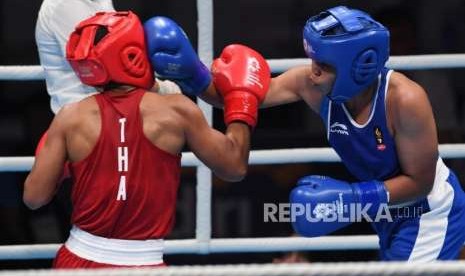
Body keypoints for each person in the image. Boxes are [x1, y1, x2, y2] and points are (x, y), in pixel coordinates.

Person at [145, 6, 465, 261]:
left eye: (323, 65)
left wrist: (353, 199)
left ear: (360, 66)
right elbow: (246, 94)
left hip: (427, 213)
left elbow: (421, 181)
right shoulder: (311, 84)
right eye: (313, 59)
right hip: (385, 211)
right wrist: (194, 74)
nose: (312, 70)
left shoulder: (405, 99)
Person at [24, 11, 270, 268]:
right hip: (143, 264)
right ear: (134, 55)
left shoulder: (70, 118)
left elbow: (34, 197)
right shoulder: (176, 111)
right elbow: (234, 166)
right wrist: (241, 102)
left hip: (77, 260)